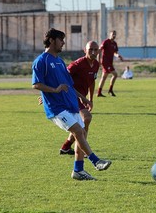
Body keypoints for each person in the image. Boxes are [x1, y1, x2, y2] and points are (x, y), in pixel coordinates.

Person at [32, 28, 111, 180]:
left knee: (81, 133)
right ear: (51, 40)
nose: (63, 43)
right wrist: (53, 90)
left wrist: (84, 98)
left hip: (70, 105)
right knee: (78, 131)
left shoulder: (60, 62)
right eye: (61, 40)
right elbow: (36, 84)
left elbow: (69, 85)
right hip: (56, 108)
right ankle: (95, 161)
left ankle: (78, 170)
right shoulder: (41, 61)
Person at [59, 40, 100, 155]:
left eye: (95, 50)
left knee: (80, 124)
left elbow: (92, 82)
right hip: (70, 96)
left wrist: (91, 99)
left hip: (81, 97)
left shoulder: (96, 64)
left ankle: (66, 147)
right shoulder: (77, 64)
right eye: (90, 49)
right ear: (85, 50)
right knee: (86, 118)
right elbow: (62, 78)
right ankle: (84, 150)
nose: (93, 52)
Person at [97, 30, 123, 97]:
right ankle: (110, 90)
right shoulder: (106, 42)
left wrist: (118, 56)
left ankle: (99, 92)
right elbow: (99, 50)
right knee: (115, 74)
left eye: (115, 34)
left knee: (104, 77)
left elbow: (115, 53)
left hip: (110, 62)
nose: (114, 36)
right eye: (112, 34)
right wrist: (99, 60)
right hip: (105, 62)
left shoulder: (114, 44)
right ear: (110, 35)